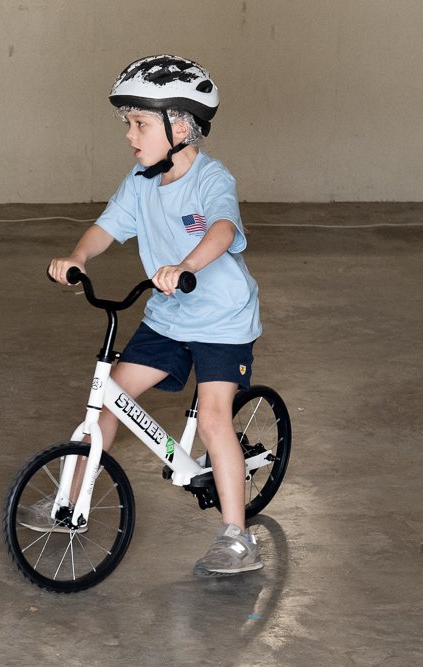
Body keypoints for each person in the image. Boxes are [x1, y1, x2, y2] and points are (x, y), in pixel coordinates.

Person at [47, 55, 264, 578]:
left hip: (221, 321)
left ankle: (237, 537)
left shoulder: (212, 179)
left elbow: (222, 231)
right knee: (107, 402)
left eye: (140, 123)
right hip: (168, 317)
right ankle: (67, 501)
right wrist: (79, 257)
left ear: (182, 126)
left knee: (214, 420)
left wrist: (186, 266)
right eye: (128, 123)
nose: (130, 135)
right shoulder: (142, 181)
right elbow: (106, 227)